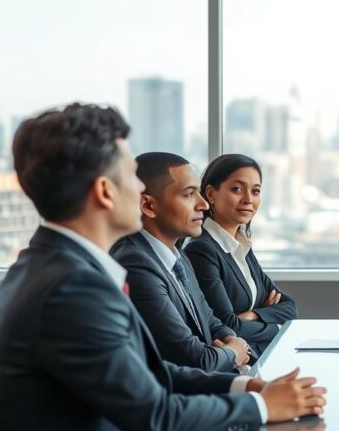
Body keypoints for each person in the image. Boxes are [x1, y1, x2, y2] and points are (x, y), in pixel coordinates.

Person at [0, 104, 326, 431]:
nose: (142, 194)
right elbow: (157, 416)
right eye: (131, 179)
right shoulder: (70, 288)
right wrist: (263, 408)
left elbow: (148, 370)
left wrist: (244, 387)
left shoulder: (62, 266)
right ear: (105, 191)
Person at [111, 152, 271, 372]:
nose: (204, 205)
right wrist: (233, 352)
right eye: (189, 194)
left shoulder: (178, 256)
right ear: (148, 206)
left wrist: (236, 343)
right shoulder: (136, 265)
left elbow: (210, 321)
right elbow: (195, 358)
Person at [185, 154, 295, 355]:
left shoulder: (241, 245)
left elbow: (289, 307)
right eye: (236, 189)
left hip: (260, 355)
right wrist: (276, 327)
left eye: (255, 191)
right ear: (211, 194)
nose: (248, 199)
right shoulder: (202, 250)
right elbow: (228, 327)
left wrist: (252, 315)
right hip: (236, 365)